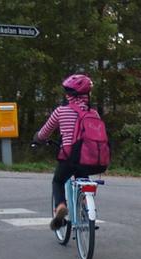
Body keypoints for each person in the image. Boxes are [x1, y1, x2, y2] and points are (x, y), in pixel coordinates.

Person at [34, 74, 95, 230]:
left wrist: (38, 139)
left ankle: (60, 206)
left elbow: (44, 133)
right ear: (87, 95)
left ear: (69, 94)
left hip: (68, 157)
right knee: (83, 178)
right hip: (88, 158)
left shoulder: (61, 111)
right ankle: (86, 206)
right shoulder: (93, 113)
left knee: (58, 181)